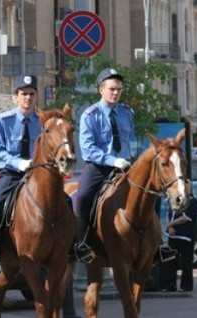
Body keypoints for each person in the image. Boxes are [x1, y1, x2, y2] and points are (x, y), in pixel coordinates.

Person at [73, 68, 134, 263]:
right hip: (99, 167)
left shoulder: (127, 113)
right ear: (101, 90)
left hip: (124, 167)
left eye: (118, 89)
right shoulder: (90, 115)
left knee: (150, 192)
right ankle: (81, 244)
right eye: (111, 89)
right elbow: (88, 149)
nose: (115, 93)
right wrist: (112, 160)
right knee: (82, 196)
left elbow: (129, 140)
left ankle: (158, 243)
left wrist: (128, 160)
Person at [0, 75, 41, 264]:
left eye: (31, 94)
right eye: (23, 94)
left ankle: (69, 245)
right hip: (12, 172)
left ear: (36, 96)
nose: (28, 98)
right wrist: (18, 163)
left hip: (37, 173)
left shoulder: (42, 121)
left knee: (63, 201)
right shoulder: (4, 120)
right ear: (15, 96)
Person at [159, 195, 197, 292]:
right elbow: (169, 214)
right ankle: (170, 285)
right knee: (171, 262)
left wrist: (170, 225)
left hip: (186, 236)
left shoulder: (192, 201)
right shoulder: (174, 200)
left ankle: (186, 286)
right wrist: (170, 227)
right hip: (173, 236)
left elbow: (185, 218)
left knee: (186, 263)